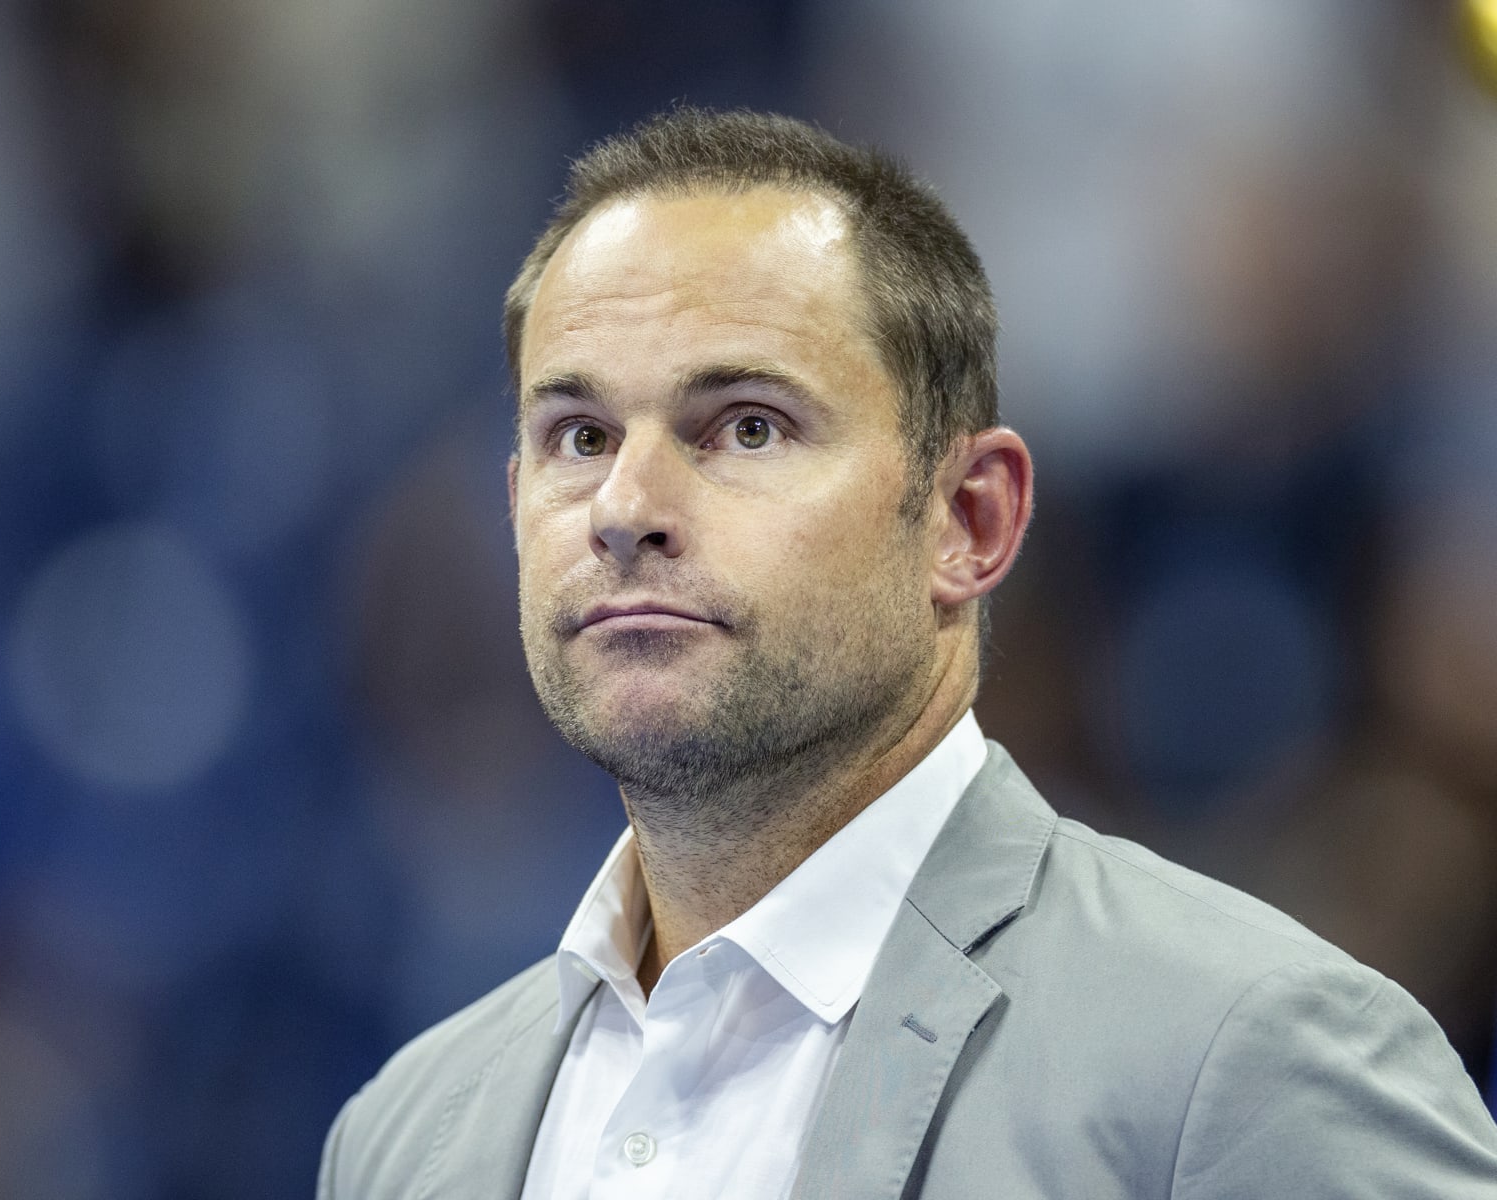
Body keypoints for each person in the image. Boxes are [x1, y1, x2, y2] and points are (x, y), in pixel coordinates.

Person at [318, 108, 1497, 1198]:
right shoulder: (405, 1135)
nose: (626, 504)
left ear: (969, 520)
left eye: (746, 425)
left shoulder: (1249, 1064)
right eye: (579, 434)